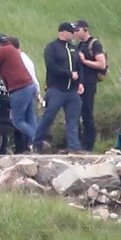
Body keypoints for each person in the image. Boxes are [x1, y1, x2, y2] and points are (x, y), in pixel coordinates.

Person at [34, 22, 84, 152]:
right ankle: (36, 142)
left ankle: (74, 147)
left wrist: (80, 83)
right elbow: (51, 66)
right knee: (48, 116)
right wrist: (68, 74)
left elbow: (79, 67)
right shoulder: (52, 47)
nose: (73, 34)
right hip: (56, 89)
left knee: (73, 120)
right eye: (71, 31)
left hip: (72, 91)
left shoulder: (73, 48)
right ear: (62, 32)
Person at [0, 38, 38, 152]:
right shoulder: (12, 50)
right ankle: (36, 143)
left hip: (20, 88)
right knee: (29, 117)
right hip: (29, 86)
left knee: (17, 121)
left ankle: (37, 139)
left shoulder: (4, 51)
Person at [74, 20, 108, 151]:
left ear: (85, 29)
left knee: (87, 112)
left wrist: (85, 61)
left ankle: (88, 144)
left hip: (89, 82)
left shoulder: (94, 44)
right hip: (79, 83)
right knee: (76, 113)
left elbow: (101, 64)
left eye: (78, 30)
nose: (76, 33)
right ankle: (78, 143)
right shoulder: (78, 45)